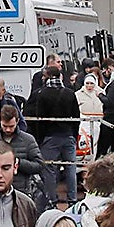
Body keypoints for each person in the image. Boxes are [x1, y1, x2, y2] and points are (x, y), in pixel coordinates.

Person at [28, 65, 82, 208]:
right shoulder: (70, 93)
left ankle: (52, 200)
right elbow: (77, 116)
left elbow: (40, 119)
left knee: (49, 169)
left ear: (47, 76)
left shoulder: (42, 94)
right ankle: (72, 199)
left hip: (50, 137)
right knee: (70, 167)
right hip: (68, 135)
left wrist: (40, 139)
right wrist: (74, 135)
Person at [0, 100, 45, 206]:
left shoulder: (28, 140)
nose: (8, 129)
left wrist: (19, 163)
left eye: (11, 126)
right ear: (0, 121)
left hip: (21, 193)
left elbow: (39, 165)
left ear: (17, 121)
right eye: (5, 126)